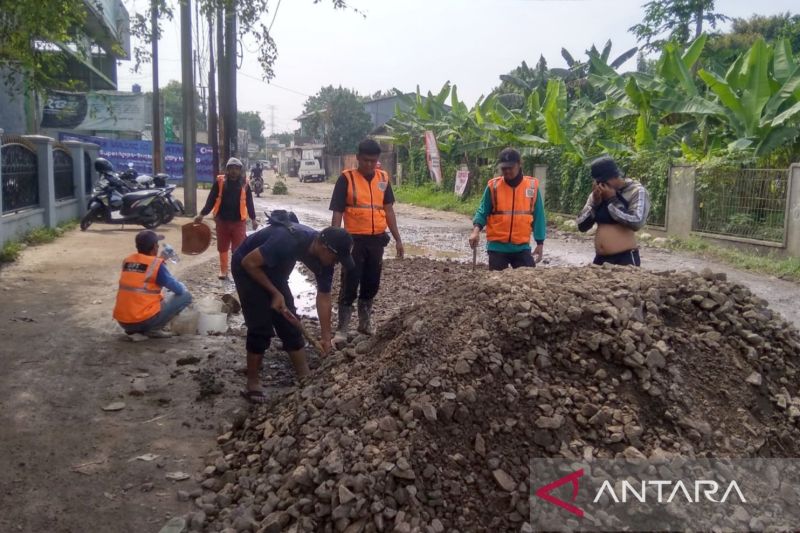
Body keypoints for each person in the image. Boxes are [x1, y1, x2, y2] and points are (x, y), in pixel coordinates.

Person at [232, 215, 355, 403]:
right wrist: (274, 293)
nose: (336, 263)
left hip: (274, 270)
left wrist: (325, 337)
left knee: (290, 322)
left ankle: (304, 377)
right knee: (261, 325)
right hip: (246, 266)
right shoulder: (287, 239)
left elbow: (324, 297)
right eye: (336, 258)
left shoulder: (325, 262)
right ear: (324, 247)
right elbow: (249, 263)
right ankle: (252, 382)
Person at [329, 139, 404, 342]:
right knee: (350, 281)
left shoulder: (383, 178)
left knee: (372, 281)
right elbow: (337, 212)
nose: (370, 165)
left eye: (373, 161)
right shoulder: (346, 179)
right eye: (366, 161)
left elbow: (388, 210)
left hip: (376, 240)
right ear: (358, 158)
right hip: (353, 240)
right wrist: (335, 242)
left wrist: (398, 239)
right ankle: (342, 328)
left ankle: (365, 323)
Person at [468, 148, 546, 270]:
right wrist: (475, 231)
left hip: (521, 247)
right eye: (504, 168)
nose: (507, 171)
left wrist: (540, 243)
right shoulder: (493, 186)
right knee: (497, 285)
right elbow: (482, 211)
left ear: (519, 165)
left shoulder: (532, 187)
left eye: (511, 167)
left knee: (528, 280)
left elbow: (539, 216)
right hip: (497, 247)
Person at [113, 230, 193, 340]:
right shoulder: (156, 265)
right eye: (157, 245)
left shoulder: (128, 261)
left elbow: (144, 271)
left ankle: (136, 330)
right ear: (155, 246)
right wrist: (182, 286)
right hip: (141, 320)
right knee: (185, 296)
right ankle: (154, 329)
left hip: (124, 321)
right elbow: (178, 289)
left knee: (159, 294)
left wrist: (159, 259)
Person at [576, 155, 650, 266]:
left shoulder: (636, 191)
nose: (599, 185)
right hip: (600, 259)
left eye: (602, 181)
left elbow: (636, 222)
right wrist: (596, 204)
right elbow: (581, 225)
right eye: (597, 182)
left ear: (613, 177)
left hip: (625, 259)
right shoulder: (598, 193)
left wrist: (612, 200)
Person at [194, 157, 259, 280]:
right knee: (222, 247)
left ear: (240, 171)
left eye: (236, 169)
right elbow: (211, 200)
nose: (234, 171)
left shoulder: (245, 184)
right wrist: (202, 214)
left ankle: (236, 269)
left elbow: (249, 203)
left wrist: (254, 218)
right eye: (231, 168)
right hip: (222, 221)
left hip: (239, 222)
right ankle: (223, 270)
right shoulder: (220, 183)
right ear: (227, 170)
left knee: (238, 248)